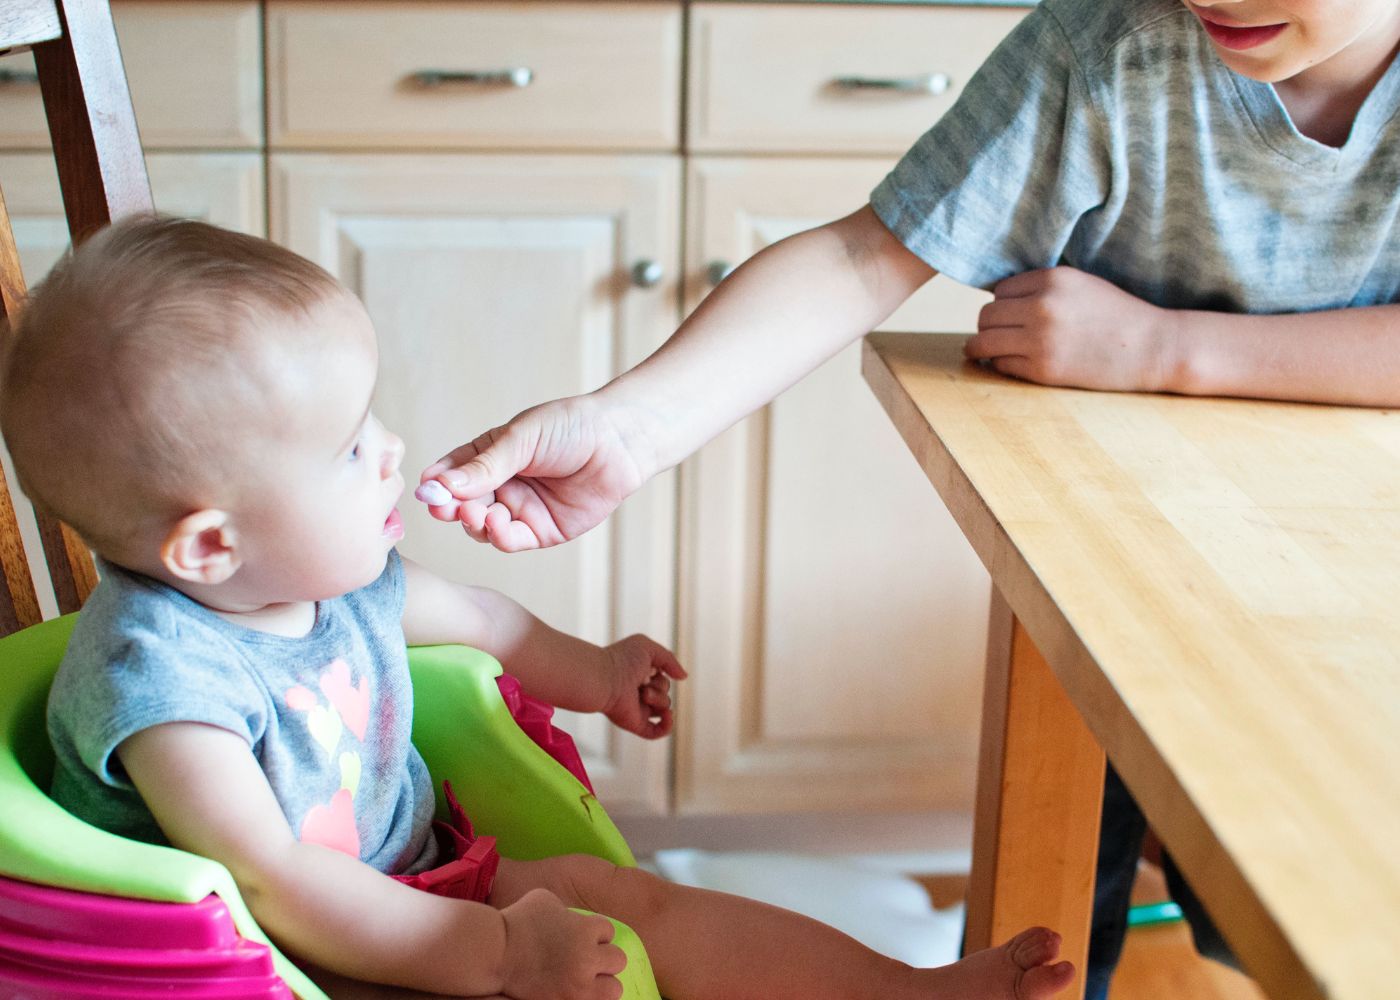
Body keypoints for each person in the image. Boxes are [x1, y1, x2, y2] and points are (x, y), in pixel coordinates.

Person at [416, 0, 1400, 995]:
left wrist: (1165, 348)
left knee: (1283, 910)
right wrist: (627, 427)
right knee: (1069, 906)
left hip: (1346, 588)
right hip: (1113, 568)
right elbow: (860, 256)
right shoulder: (1103, 45)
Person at [0, 216, 1075, 1000]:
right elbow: (270, 884)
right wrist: (501, 954)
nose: (390, 452)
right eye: (345, 450)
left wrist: (597, 672)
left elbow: (483, 619)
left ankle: (902, 991)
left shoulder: (324, 578)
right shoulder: (168, 690)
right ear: (209, 544)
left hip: (416, 878)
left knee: (626, 897)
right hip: (281, 958)